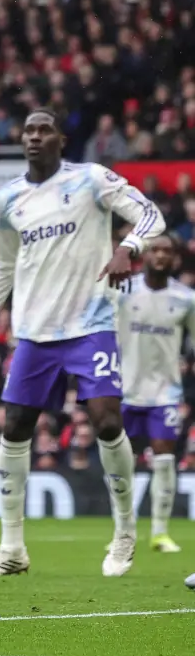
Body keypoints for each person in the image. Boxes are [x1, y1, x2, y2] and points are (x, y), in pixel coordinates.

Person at [0, 108, 165, 578]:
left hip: (90, 324)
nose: (34, 137)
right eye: (29, 129)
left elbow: (150, 215)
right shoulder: (6, 199)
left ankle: (124, 535)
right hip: (35, 331)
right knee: (14, 427)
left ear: (61, 138)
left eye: (44, 130)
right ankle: (12, 548)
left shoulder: (92, 179)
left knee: (104, 418)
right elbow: (5, 267)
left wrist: (127, 248)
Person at [116, 233, 194, 553]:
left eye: (167, 251)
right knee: (122, 463)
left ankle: (160, 533)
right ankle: (123, 531)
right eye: (155, 250)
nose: (160, 256)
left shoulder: (186, 299)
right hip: (124, 391)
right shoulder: (122, 291)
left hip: (165, 392)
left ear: (175, 258)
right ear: (144, 255)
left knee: (163, 459)